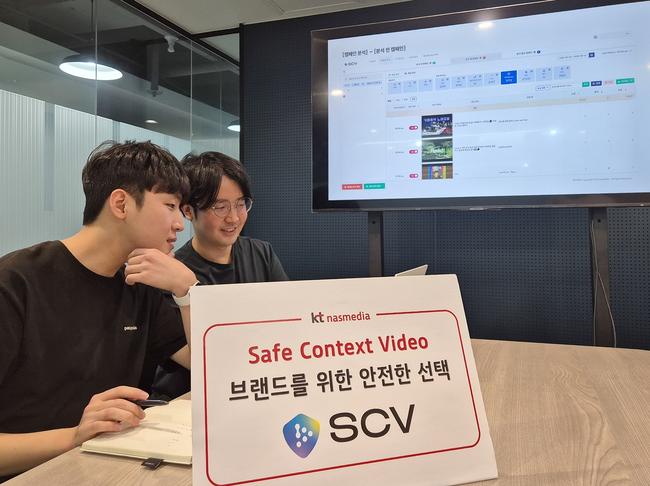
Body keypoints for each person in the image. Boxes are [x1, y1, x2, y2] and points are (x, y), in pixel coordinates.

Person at [0, 141, 198, 481]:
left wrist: (188, 291)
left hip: (110, 471)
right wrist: (75, 437)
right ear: (121, 204)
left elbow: (209, 364)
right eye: (170, 206)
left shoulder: (140, 285)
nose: (180, 224)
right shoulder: (17, 283)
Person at [151, 151, 288, 399]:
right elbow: (201, 361)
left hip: (254, 390)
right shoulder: (171, 274)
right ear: (188, 211)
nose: (233, 217)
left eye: (241, 204)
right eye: (220, 207)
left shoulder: (261, 253)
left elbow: (290, 323)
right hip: (188, 401)